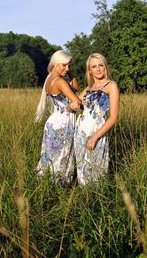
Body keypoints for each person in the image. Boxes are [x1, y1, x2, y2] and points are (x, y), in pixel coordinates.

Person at [35, 50, 81, 184]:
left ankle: (46, 183)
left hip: (54, 120)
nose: (67, 68)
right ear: (55, 63)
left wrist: (69, 72)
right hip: (63, 121)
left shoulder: (50, 77)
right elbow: (76, 102)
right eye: (64, 65)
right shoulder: (60, 81)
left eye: (69, 66)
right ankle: (59, 185)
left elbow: (75, 87)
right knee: (62, 155)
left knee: (50, 155)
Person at [73, 53, 120, 185]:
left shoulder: (111, 86)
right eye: (94, 66)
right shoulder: (89, 88)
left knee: (96, 172)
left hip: (96, 133)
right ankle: (84, 200)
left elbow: (114, 118)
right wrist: (73, 105)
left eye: (101, 65)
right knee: (82, 170)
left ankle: (95, 200)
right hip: (80, 133)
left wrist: (95, 137)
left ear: (105, 67)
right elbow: (74, 105)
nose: (98, 69)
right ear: (90, 70)